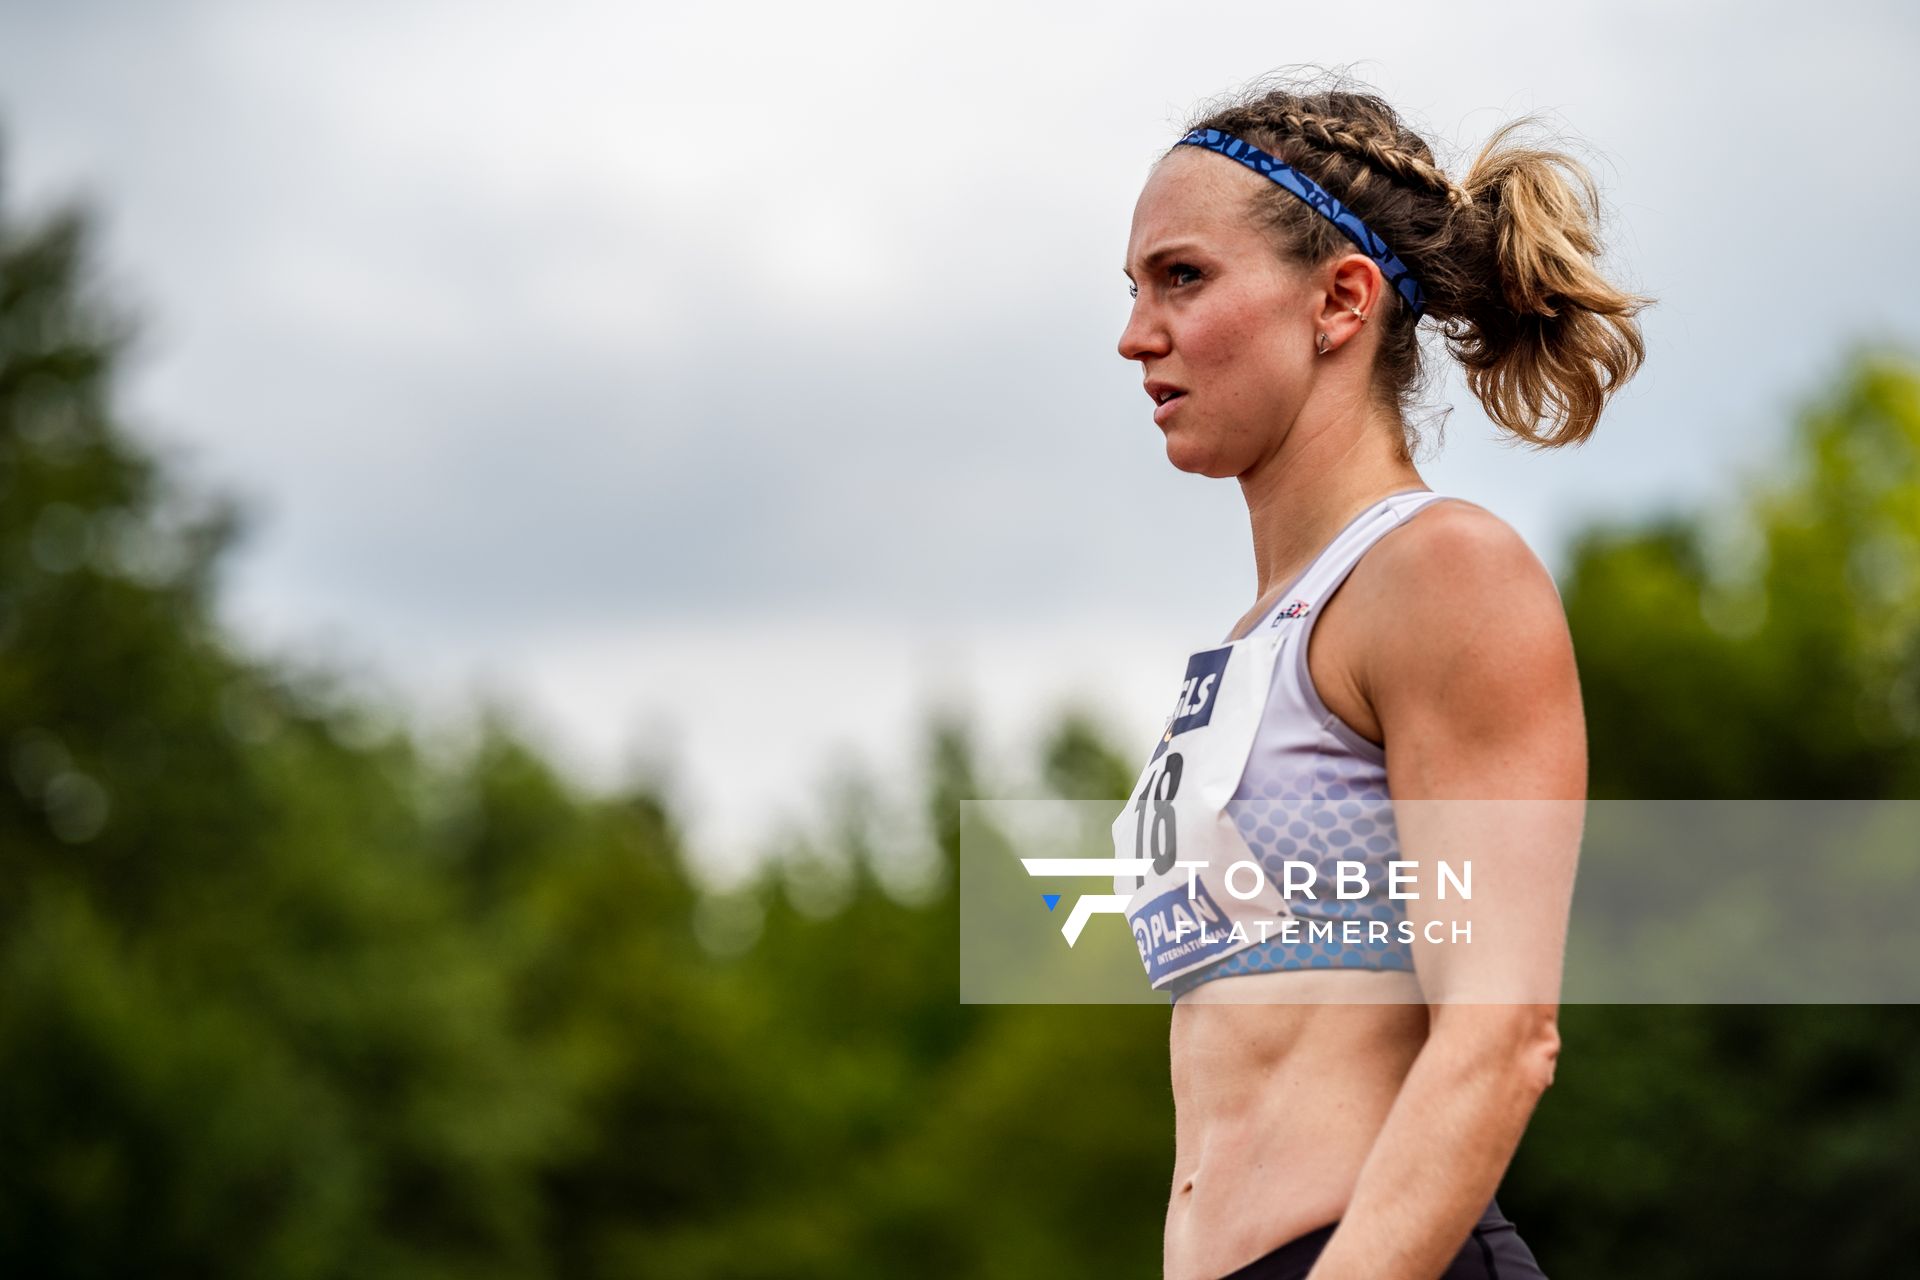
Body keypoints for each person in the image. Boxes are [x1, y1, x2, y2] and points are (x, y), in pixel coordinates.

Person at [1112, 74, 1650, 1280]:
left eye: (1182, 277)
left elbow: (1501, 1033)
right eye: (1136, 287)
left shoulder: (1446, 572)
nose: (1137, 332)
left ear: (1340, 300)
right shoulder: (1268, 631)